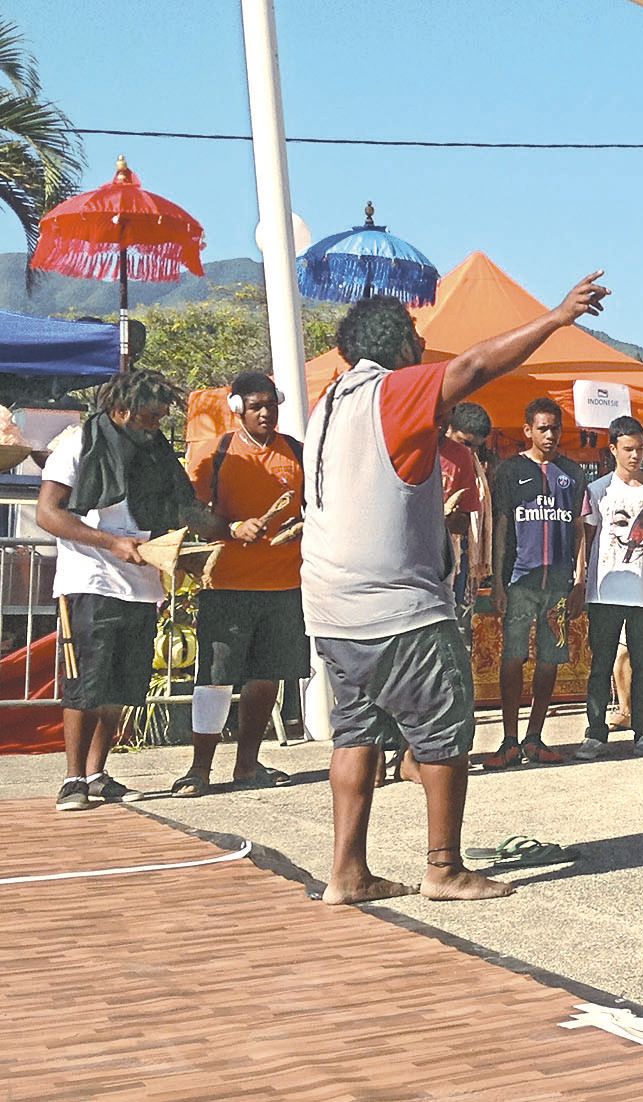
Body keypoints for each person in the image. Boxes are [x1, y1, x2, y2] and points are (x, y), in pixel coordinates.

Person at [302, 272, 609, 905]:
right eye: (416, 338)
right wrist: (554, 318)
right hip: (398, 606)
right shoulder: (391, 392)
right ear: (402, 349)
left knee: (355, 735)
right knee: (443, 732)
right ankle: (443, 868)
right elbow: (473, 366)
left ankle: (347, 872)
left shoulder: (326, 403)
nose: (424, 350)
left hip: (330, 610)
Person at [38, 370, 218, 811]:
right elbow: (48, 513)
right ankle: (73, 778)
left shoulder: (157, 453)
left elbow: (182, 508)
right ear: (120, 410)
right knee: (88, 683)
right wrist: (112, 542)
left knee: (122, 686)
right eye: (148, 418)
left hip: (142, 583)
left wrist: (222, 531)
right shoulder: (79, 443)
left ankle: (98, 772)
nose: (156, 426)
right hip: (91, 579)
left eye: (160, 418)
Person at [175, 371, 306, 798]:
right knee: (214, 677)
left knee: (267, 676)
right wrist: (230, 528)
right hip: (227, 583)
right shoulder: (218, 453)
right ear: (238, 409)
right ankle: (199, 769)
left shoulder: (298, 453)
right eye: (256, 406)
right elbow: (189, 511)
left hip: (285, 586)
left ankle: (247, 766)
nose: (266, 412)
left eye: (271, 404)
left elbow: (320, 508)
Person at [478, 398, 588, 770]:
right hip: (520, 581)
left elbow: (578, 529)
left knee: (550, 659)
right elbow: (502, 525)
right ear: (527, 430)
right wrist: (497, 580)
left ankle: (534, 737)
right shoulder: (510, 471)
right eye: (542, 428)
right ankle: (508, 740)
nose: (550, 434)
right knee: (512, 657)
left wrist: (580, 580)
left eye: (555, 428)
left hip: (557, 586)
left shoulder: (571, 472)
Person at [578, 415, 643, 761]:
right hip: (604, 592)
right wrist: (581, 580)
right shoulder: (598, 490)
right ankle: (595, 733)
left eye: (641, 448)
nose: (636, 455)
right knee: (601, 663)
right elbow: (587, 539)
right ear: (613, 449)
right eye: (628, 449)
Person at [441, 401, 492, 636]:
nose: (469, 451)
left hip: (452, 556)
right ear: (447, 428)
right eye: (464, 443)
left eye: (475, 447)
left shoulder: (467, 462)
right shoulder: (426, 453)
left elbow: (466, 517)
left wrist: (447, 520)